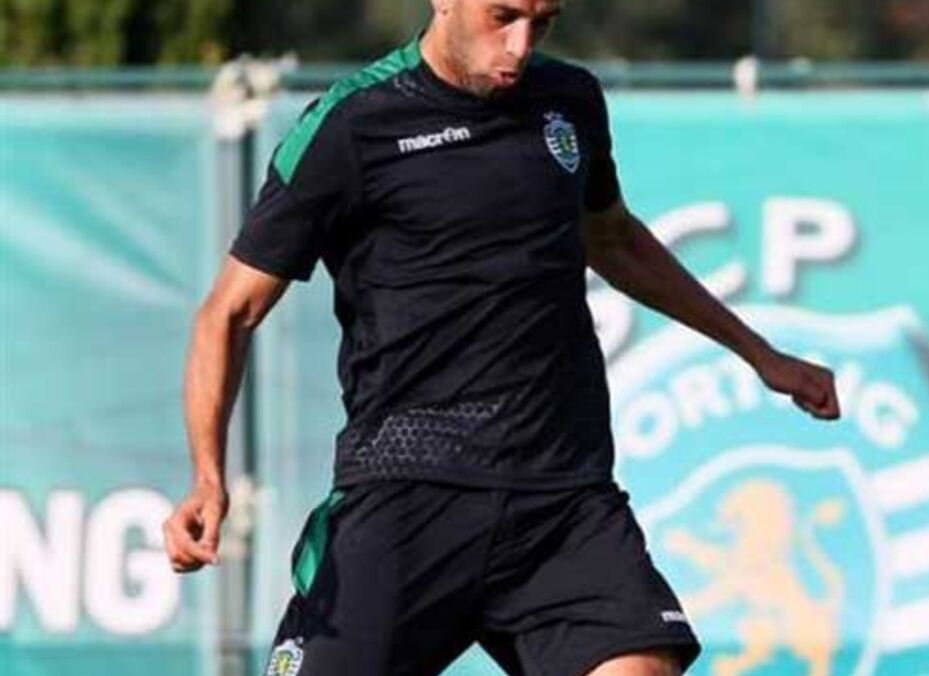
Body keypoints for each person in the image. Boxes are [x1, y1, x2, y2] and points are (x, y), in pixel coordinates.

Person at [163, 1, 841, 674]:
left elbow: (613, 239)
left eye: (541, 23)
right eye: (502, 17)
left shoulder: (569, 100)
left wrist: (760, 354)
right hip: (408, 493)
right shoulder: (353, 123)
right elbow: (228, 313)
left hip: (562, 495)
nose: (520, 45)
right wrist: (208, 478)